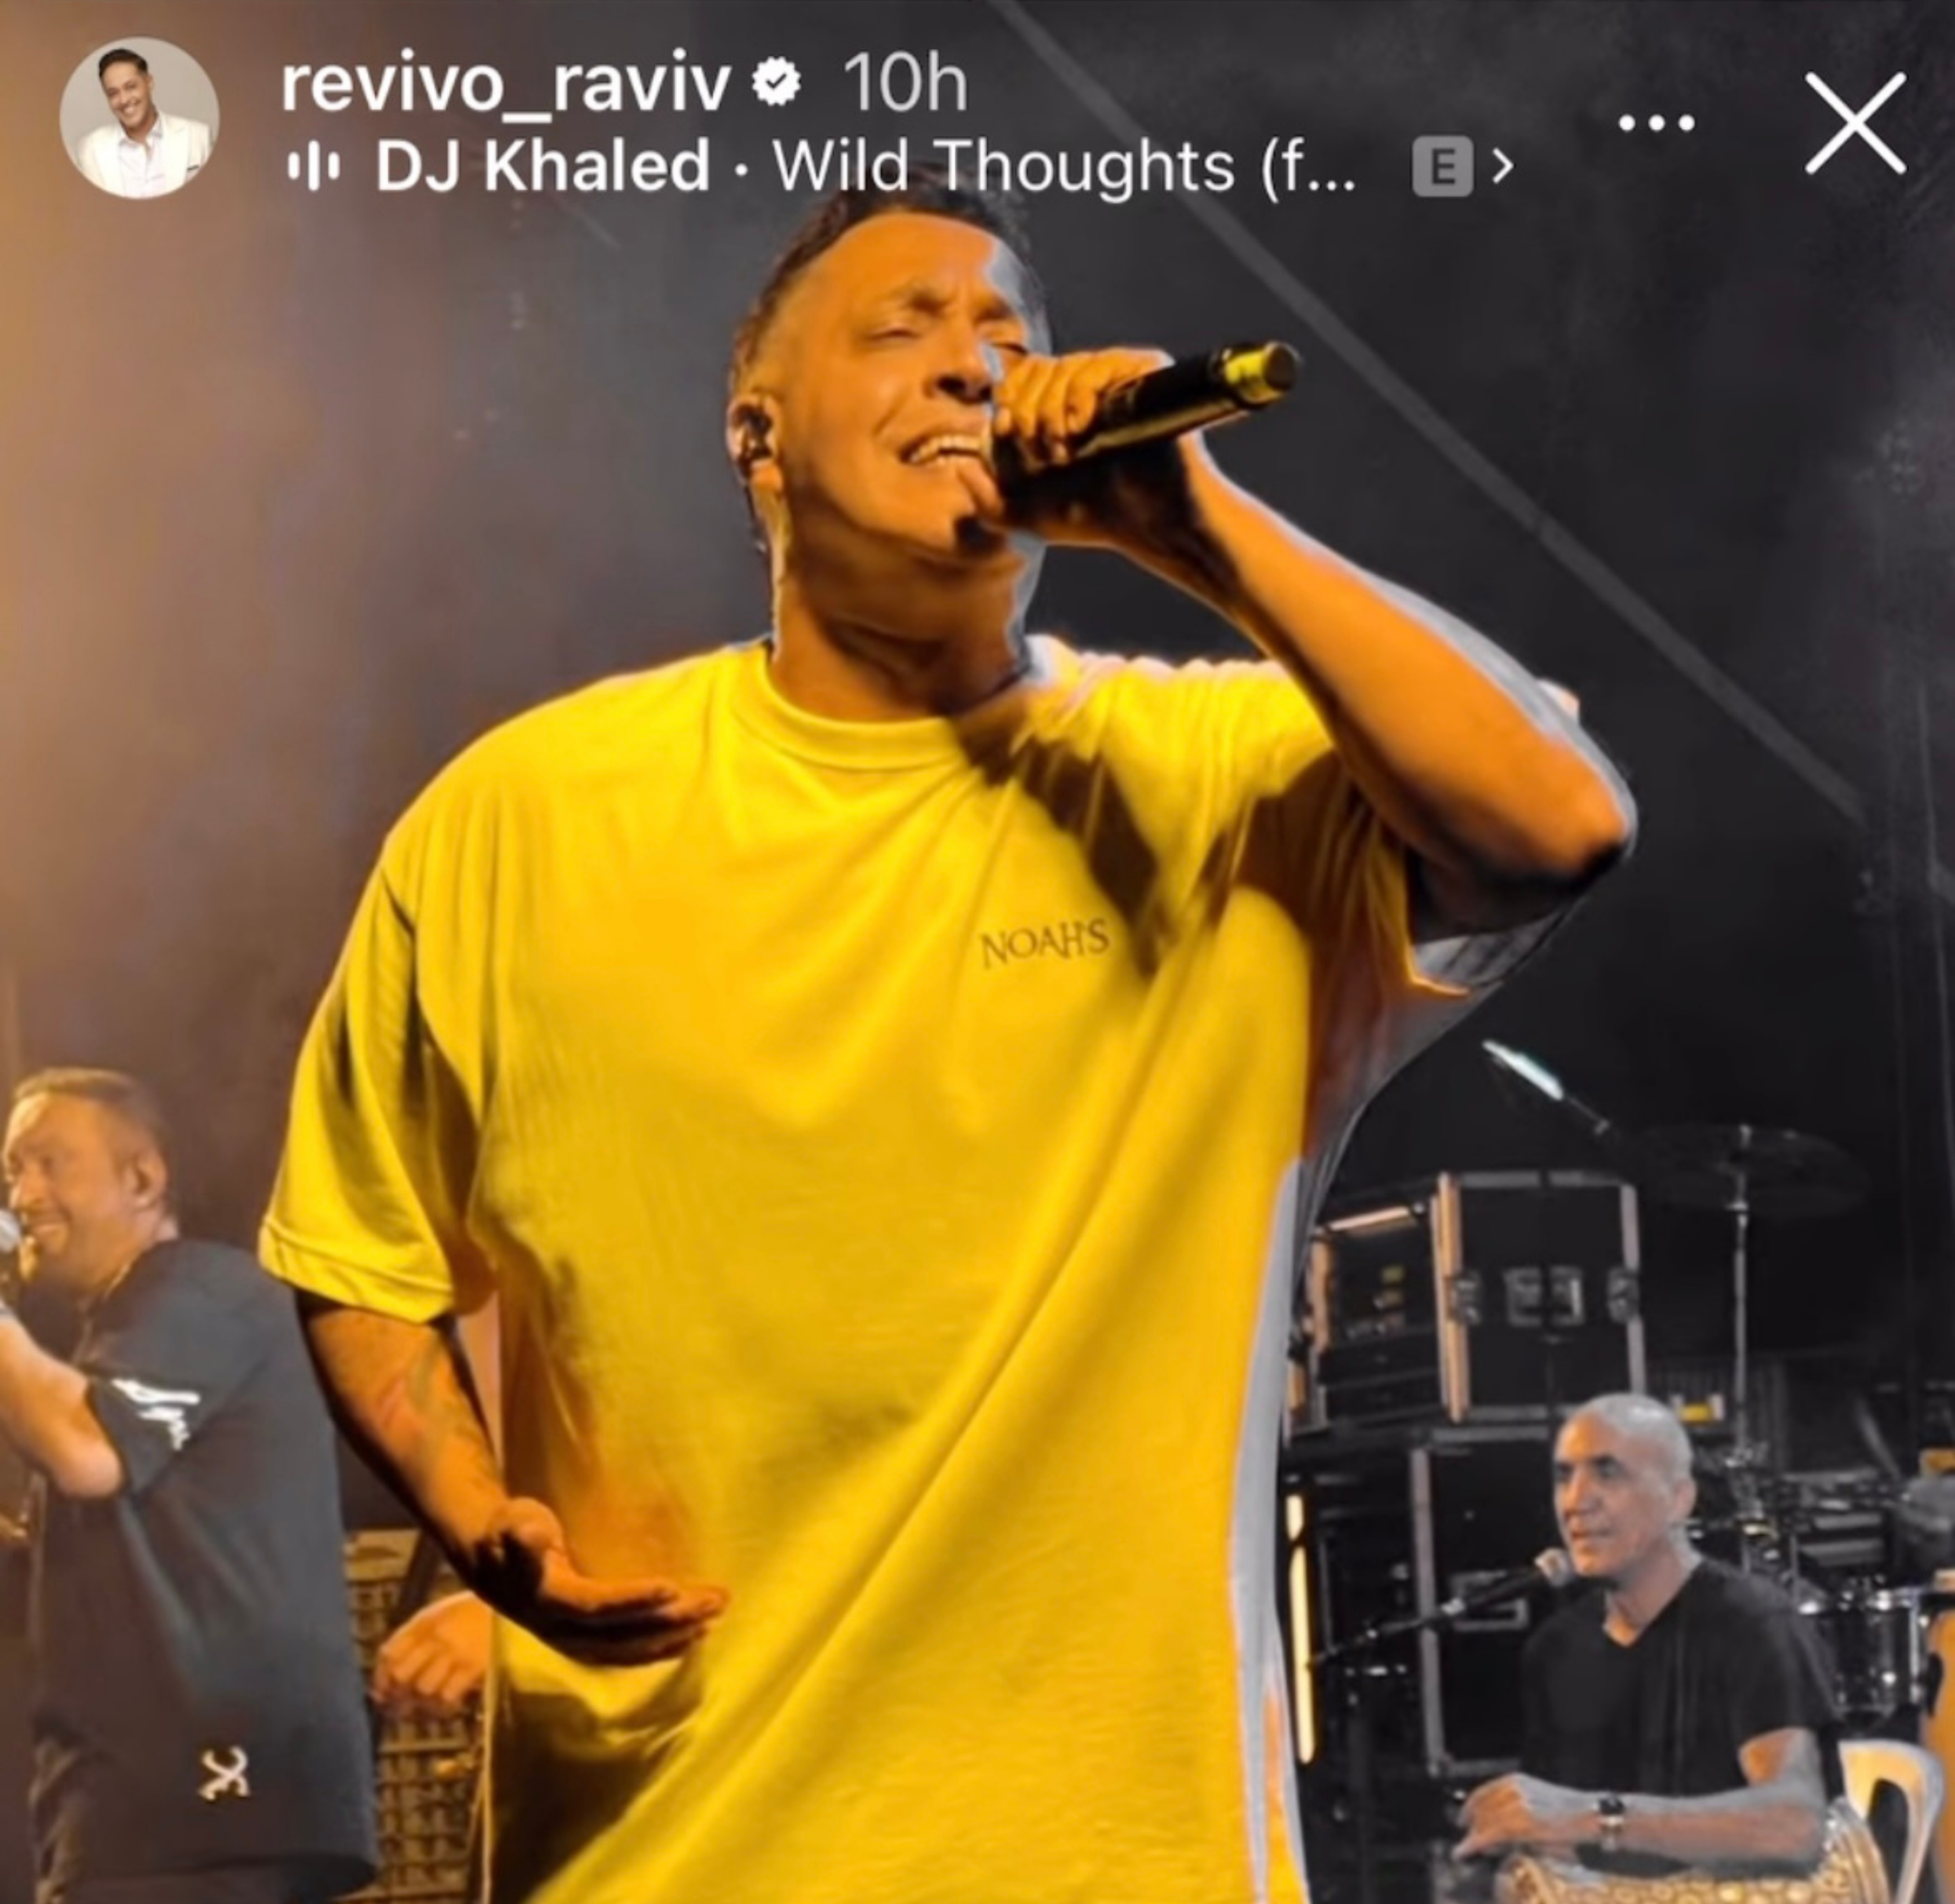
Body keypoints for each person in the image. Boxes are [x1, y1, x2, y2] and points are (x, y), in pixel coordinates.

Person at [260, 175, 1636, 1904]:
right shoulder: (519, 818)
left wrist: (1198, 529)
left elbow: (1560, 822)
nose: (972, 364)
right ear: (758, 436)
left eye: (1006, 335)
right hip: (662, 1856)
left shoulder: (1220, 781)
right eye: (902, 329)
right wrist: (475, 1513)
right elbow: (361, 1247)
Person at [1, 1069, 377, 1904]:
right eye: (13, 1171)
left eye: (50, 1162)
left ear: (144, 1177)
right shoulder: (126, 1335)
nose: (22, 1196)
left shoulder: (203, 1290)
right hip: (136, 1819)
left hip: (210, 1803)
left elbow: (86, 1451)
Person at [1458, 1394, 1839, 1872]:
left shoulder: (1754, 1624)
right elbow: (1553, 1839)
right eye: (1563, 1477)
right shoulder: (1555, 1648)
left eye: (1608, 1473)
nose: (1576, 1501)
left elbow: (1794, 1827)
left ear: (1679, 1499)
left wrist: (1598, 1819)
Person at [73, 48, 213, 199]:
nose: (124, 100)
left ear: (149, 83)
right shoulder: (90, 149)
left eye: (131, 87)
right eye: (113, 93)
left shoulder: (199, 136)